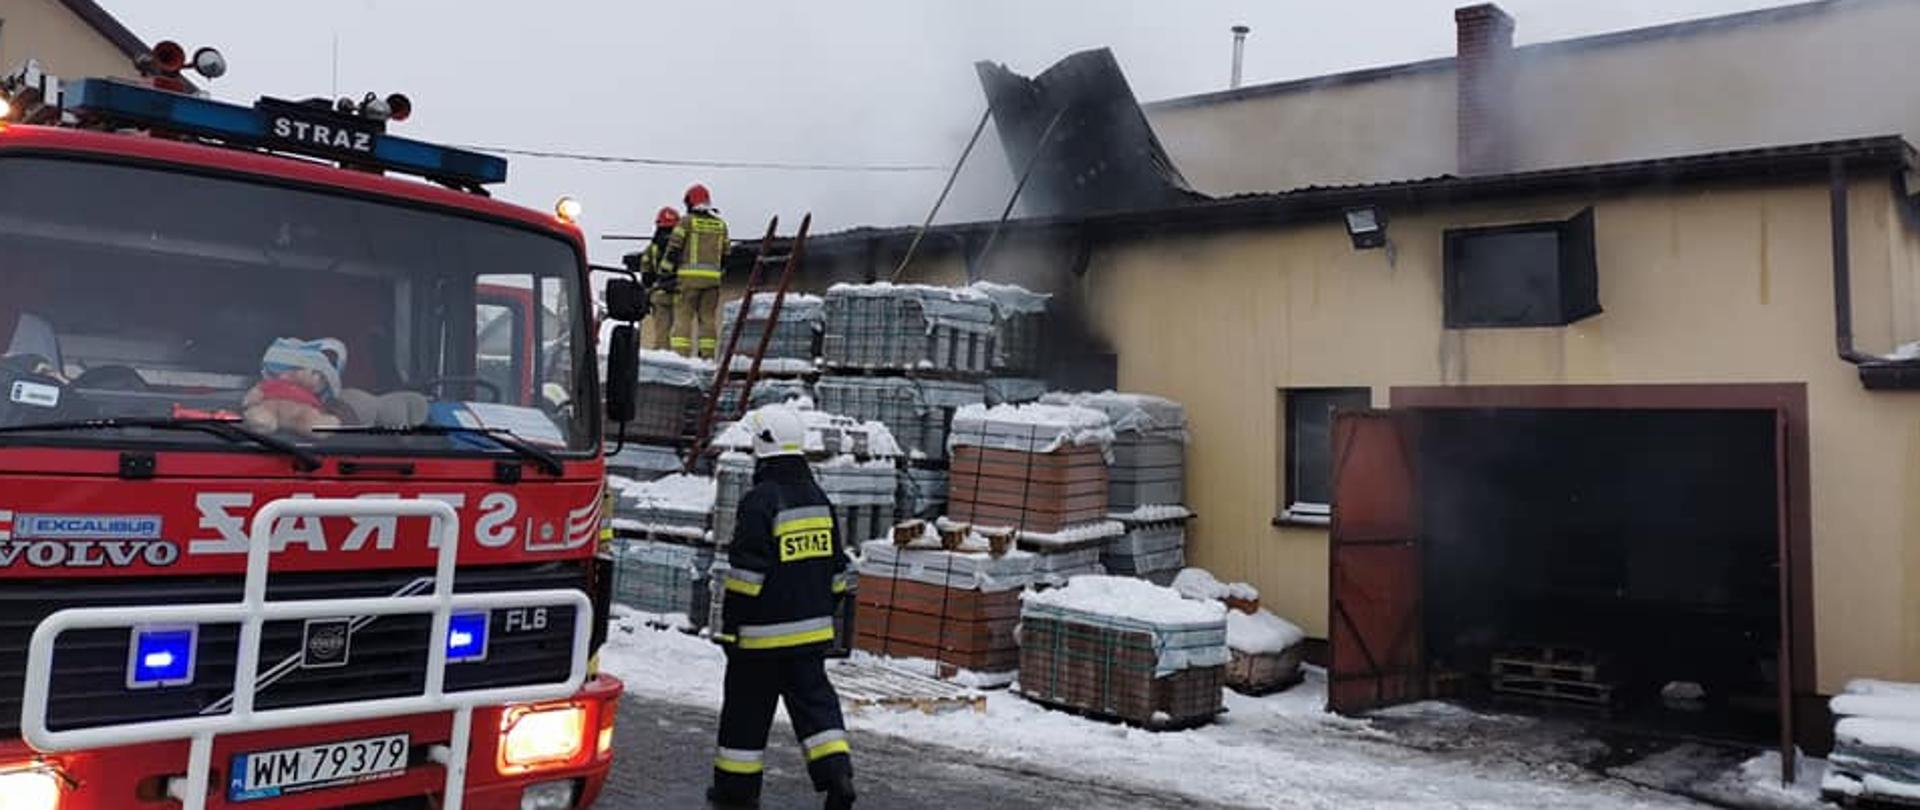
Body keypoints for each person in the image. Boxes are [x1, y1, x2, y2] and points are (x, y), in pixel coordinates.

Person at [708, 406, 856, 810]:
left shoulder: (760, 501)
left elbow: (746, 577)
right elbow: (839, 574)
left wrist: (732, 627)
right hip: (811, 636)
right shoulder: (818, 499)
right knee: (816, 708)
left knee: (745, 713)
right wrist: (820, 610)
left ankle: (735, 794)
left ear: (764, 444)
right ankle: (837, 776)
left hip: (760, 640)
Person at [666, 183, 729, 358]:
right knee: (708, 320)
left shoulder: (686, 222)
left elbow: (673, 249)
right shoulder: (721, 225)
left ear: (690, 202)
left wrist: (666, 272)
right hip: (712, 283)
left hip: (688, 282)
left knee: (683, 318)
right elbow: (726, 254)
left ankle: (681, 356)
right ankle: (707, 357)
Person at [639, 206, 681, 352]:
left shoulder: (651, 249)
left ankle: (663, 366)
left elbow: (646, 275)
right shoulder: (685, 247)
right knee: (680, 338)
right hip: (681, 296)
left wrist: (647, 294)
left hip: (659, 295)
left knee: (662, 337)